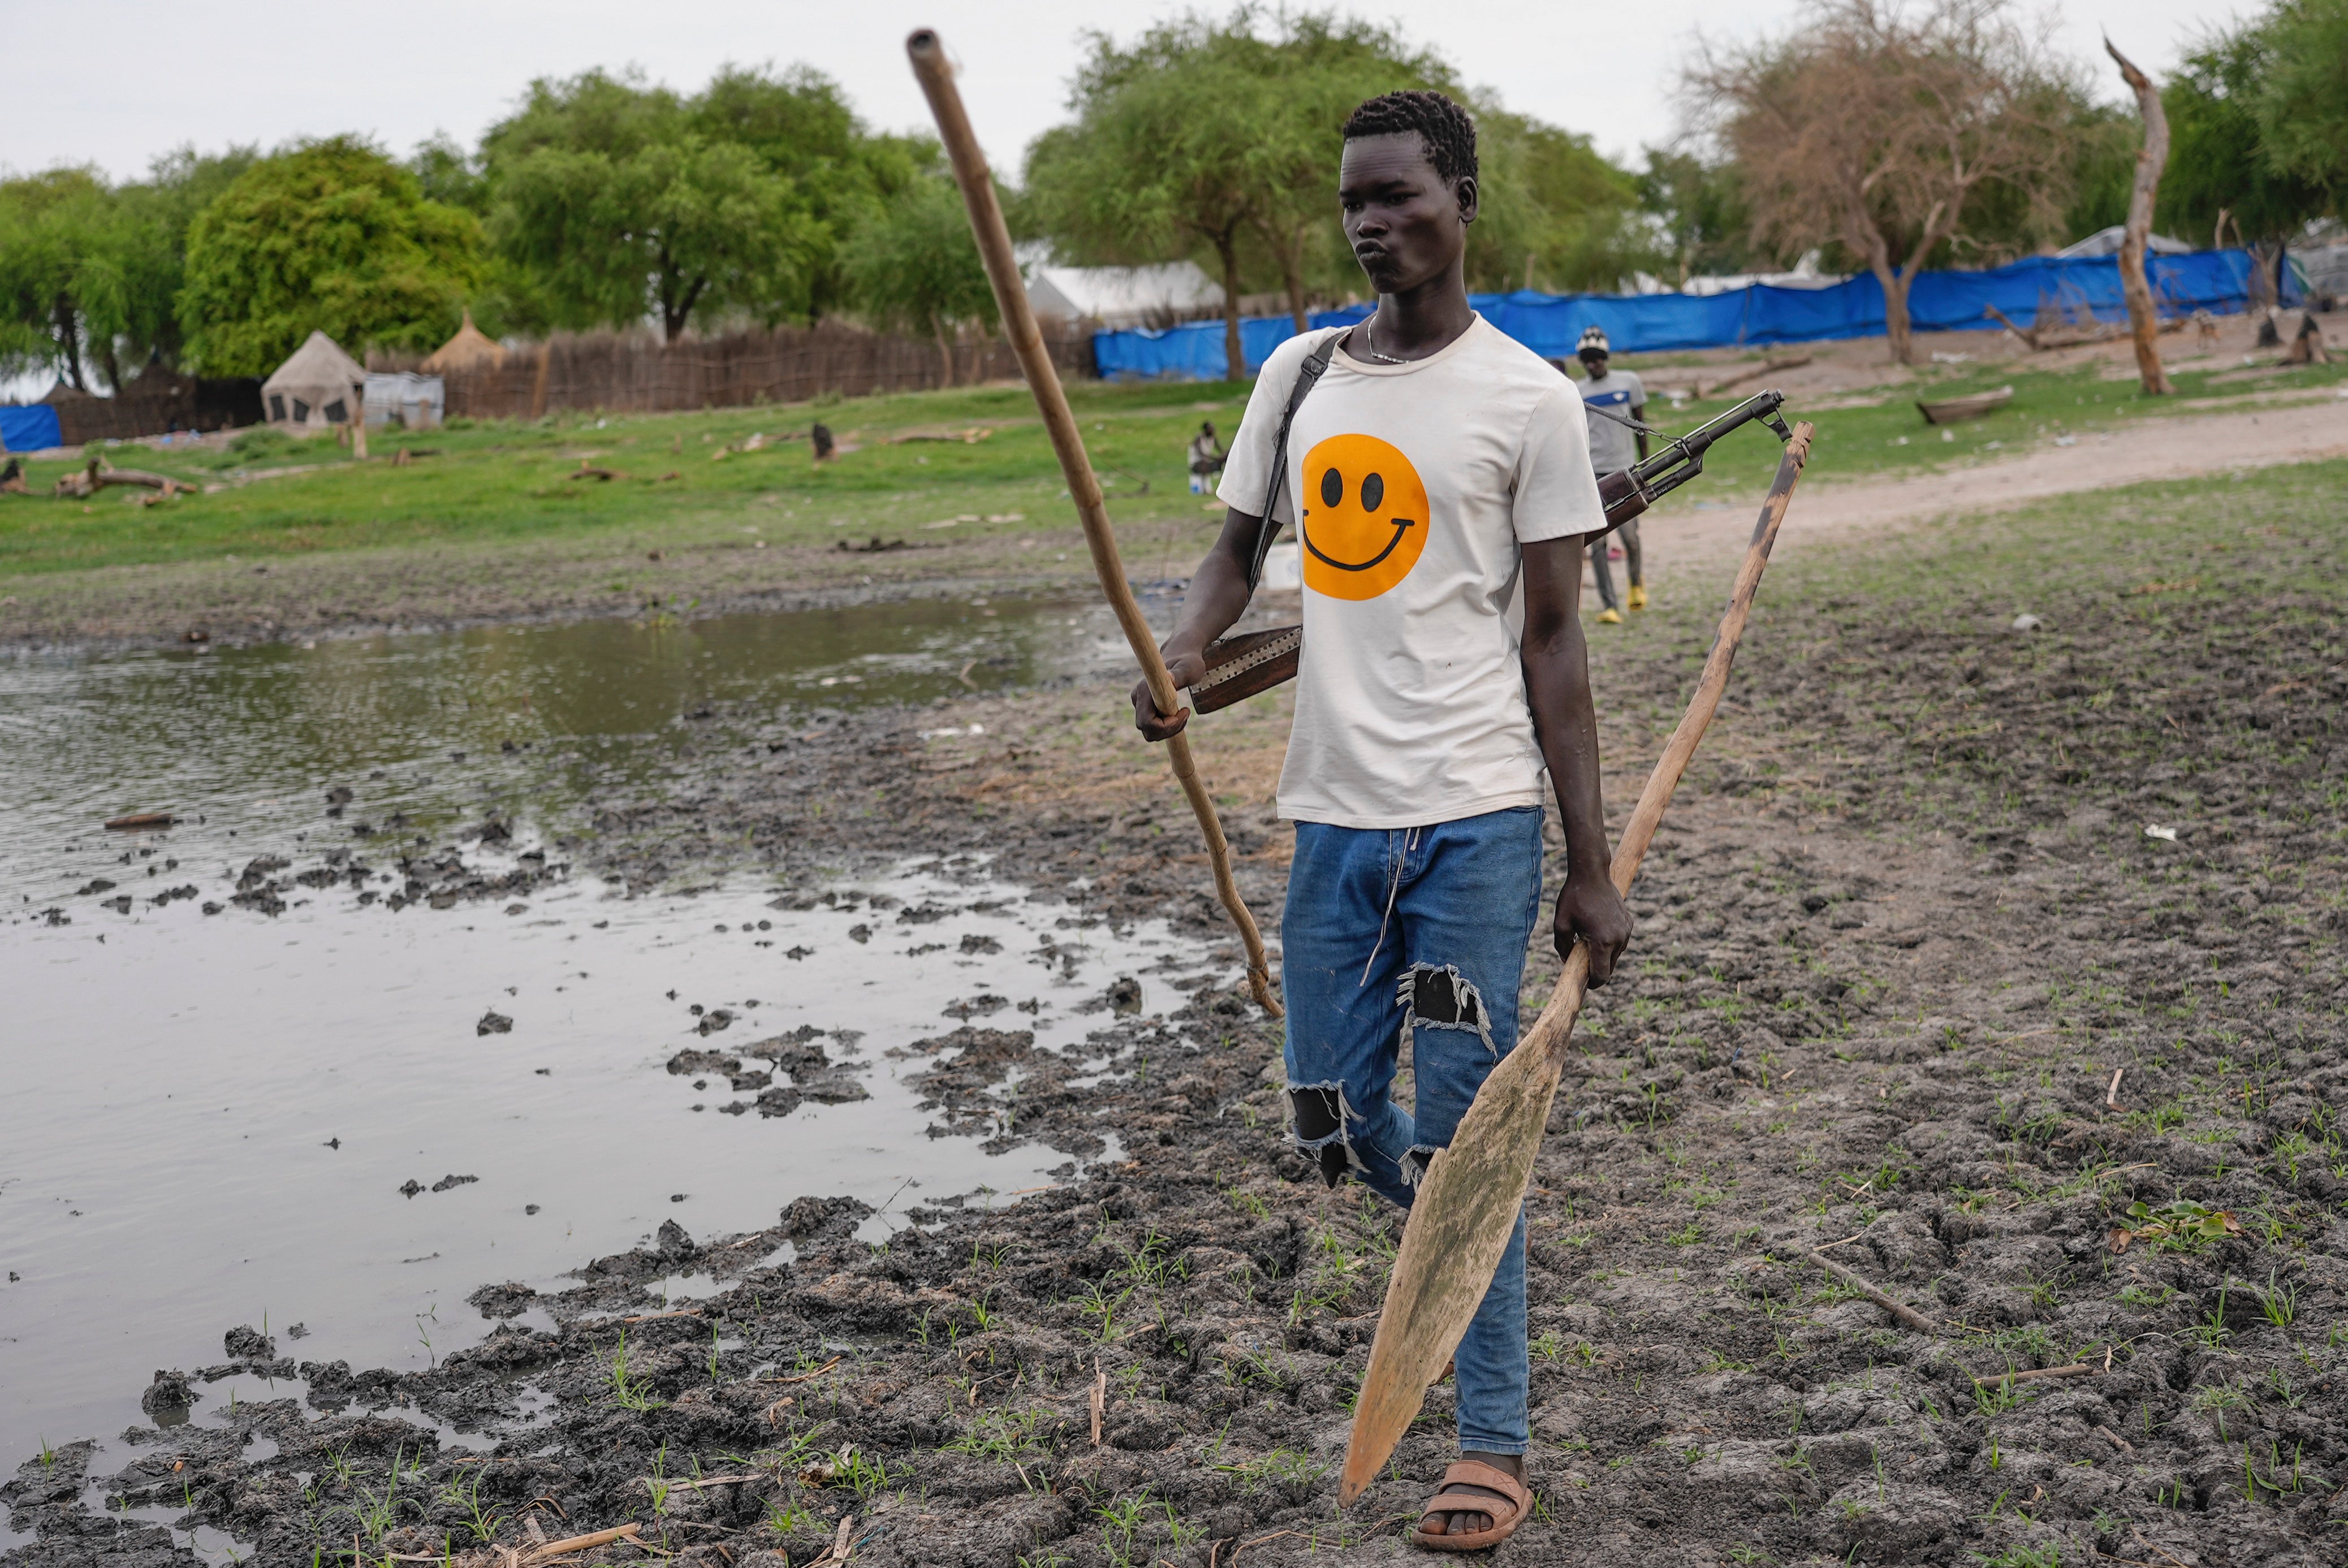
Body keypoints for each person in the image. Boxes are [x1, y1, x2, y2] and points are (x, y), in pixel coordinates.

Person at [1129, 89, 1633, 1552]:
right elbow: (1231, 564)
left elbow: (1556, 648)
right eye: (1354, 199)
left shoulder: (1531, 400)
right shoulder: (1295, 379)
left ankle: (1491, 1435)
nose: (1372, 221)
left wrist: (1588, 868)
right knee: (1330, 1118)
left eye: (1401, 195)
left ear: (1462, 200)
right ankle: (1467, 1224)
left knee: (1475, 1129)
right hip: (1333, 823)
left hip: (1474, 819)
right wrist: (1176, 661)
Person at [1570, 326, 1648, 621]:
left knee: (1630, 537)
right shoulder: (1577, 392)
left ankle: (1637, 586)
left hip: (1627, 470)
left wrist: (1646, 462)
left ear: (1606, 357)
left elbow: (1641, 427)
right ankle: (1609, 605)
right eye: (1587, 359)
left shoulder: (1630, 382)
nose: (1593, 364)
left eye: (1597, 357)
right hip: (1593, 474)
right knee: (1598, 543)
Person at [1186, 420, 1226, 493]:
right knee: (1204, 462)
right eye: (1211, 429)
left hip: (1207, 462)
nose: (1212, 431)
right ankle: (1204, 489)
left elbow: (1221, 450)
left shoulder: (1213, 438)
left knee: (1224, 459)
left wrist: (1224, 456)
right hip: (1196, 463)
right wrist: (1214, 458)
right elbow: (1200, 453)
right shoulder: (1199, 438)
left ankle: (1224, 486)